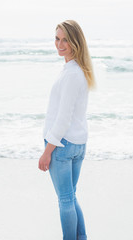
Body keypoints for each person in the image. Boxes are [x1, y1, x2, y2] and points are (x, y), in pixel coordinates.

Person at [38, 20, 95, 240]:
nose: (59, 44)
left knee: (65, 200)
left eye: (65, 40)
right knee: (70, 197)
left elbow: (63, 119)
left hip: (62, 145)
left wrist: (47, 151)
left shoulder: (72, 74)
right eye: (57, 38)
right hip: (77, 144)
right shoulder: (78, 70)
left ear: (75, 43)